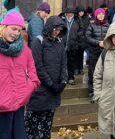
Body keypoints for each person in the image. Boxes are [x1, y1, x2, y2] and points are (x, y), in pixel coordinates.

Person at [25, 15, 67, 139]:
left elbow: (64, 63)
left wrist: (63, 82)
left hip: (53, 94)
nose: (57, 32)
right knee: (33, 128)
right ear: (49, 27)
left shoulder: (60, 43)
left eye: (59, 30)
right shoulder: (39, 42)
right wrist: (50, 84)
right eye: (55, 29)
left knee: (46, 127)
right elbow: (37, 66)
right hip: (40, 92)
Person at [0, 9, 40, 139]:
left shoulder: (25, 50)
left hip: (18, 106)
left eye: (19, 30)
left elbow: (33, 73)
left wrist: (28, 88)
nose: (16, 33)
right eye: (13, 29)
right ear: (3, 27)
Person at [86, 8, 109, 103]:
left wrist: (106, 43)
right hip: (94, 52)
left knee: (105, 72)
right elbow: (87, 37)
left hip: (105, 53)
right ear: (96, 15)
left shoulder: (108, 25)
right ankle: (93, 92)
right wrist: (97, 42)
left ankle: (103, 93)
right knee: (93, 72)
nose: (101, 15)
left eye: (102, 14)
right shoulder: (91, 25)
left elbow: (112, 37)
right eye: (99, 14)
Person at [60, 6, 80, 85]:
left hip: (73, 45)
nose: (69, 14)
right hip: (62, 45)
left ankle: (71, 78)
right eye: (68, 13)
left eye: (71, 13)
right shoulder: (61, 20)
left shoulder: (77, 21)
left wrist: (77, 37)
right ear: (65, 13)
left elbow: (82, 30)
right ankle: (62, 78)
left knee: (71, 63)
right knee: (62, 62)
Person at [75, 5, 91, 75]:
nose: (81, 13)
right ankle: (75, 69)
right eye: (79, 12)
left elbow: (87, 28)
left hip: (83, 39)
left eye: (82, 12)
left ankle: (80, 68)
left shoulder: (86, 18)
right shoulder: (75, 18)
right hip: (76, 39)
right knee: (75, 54)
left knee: (81, 54)